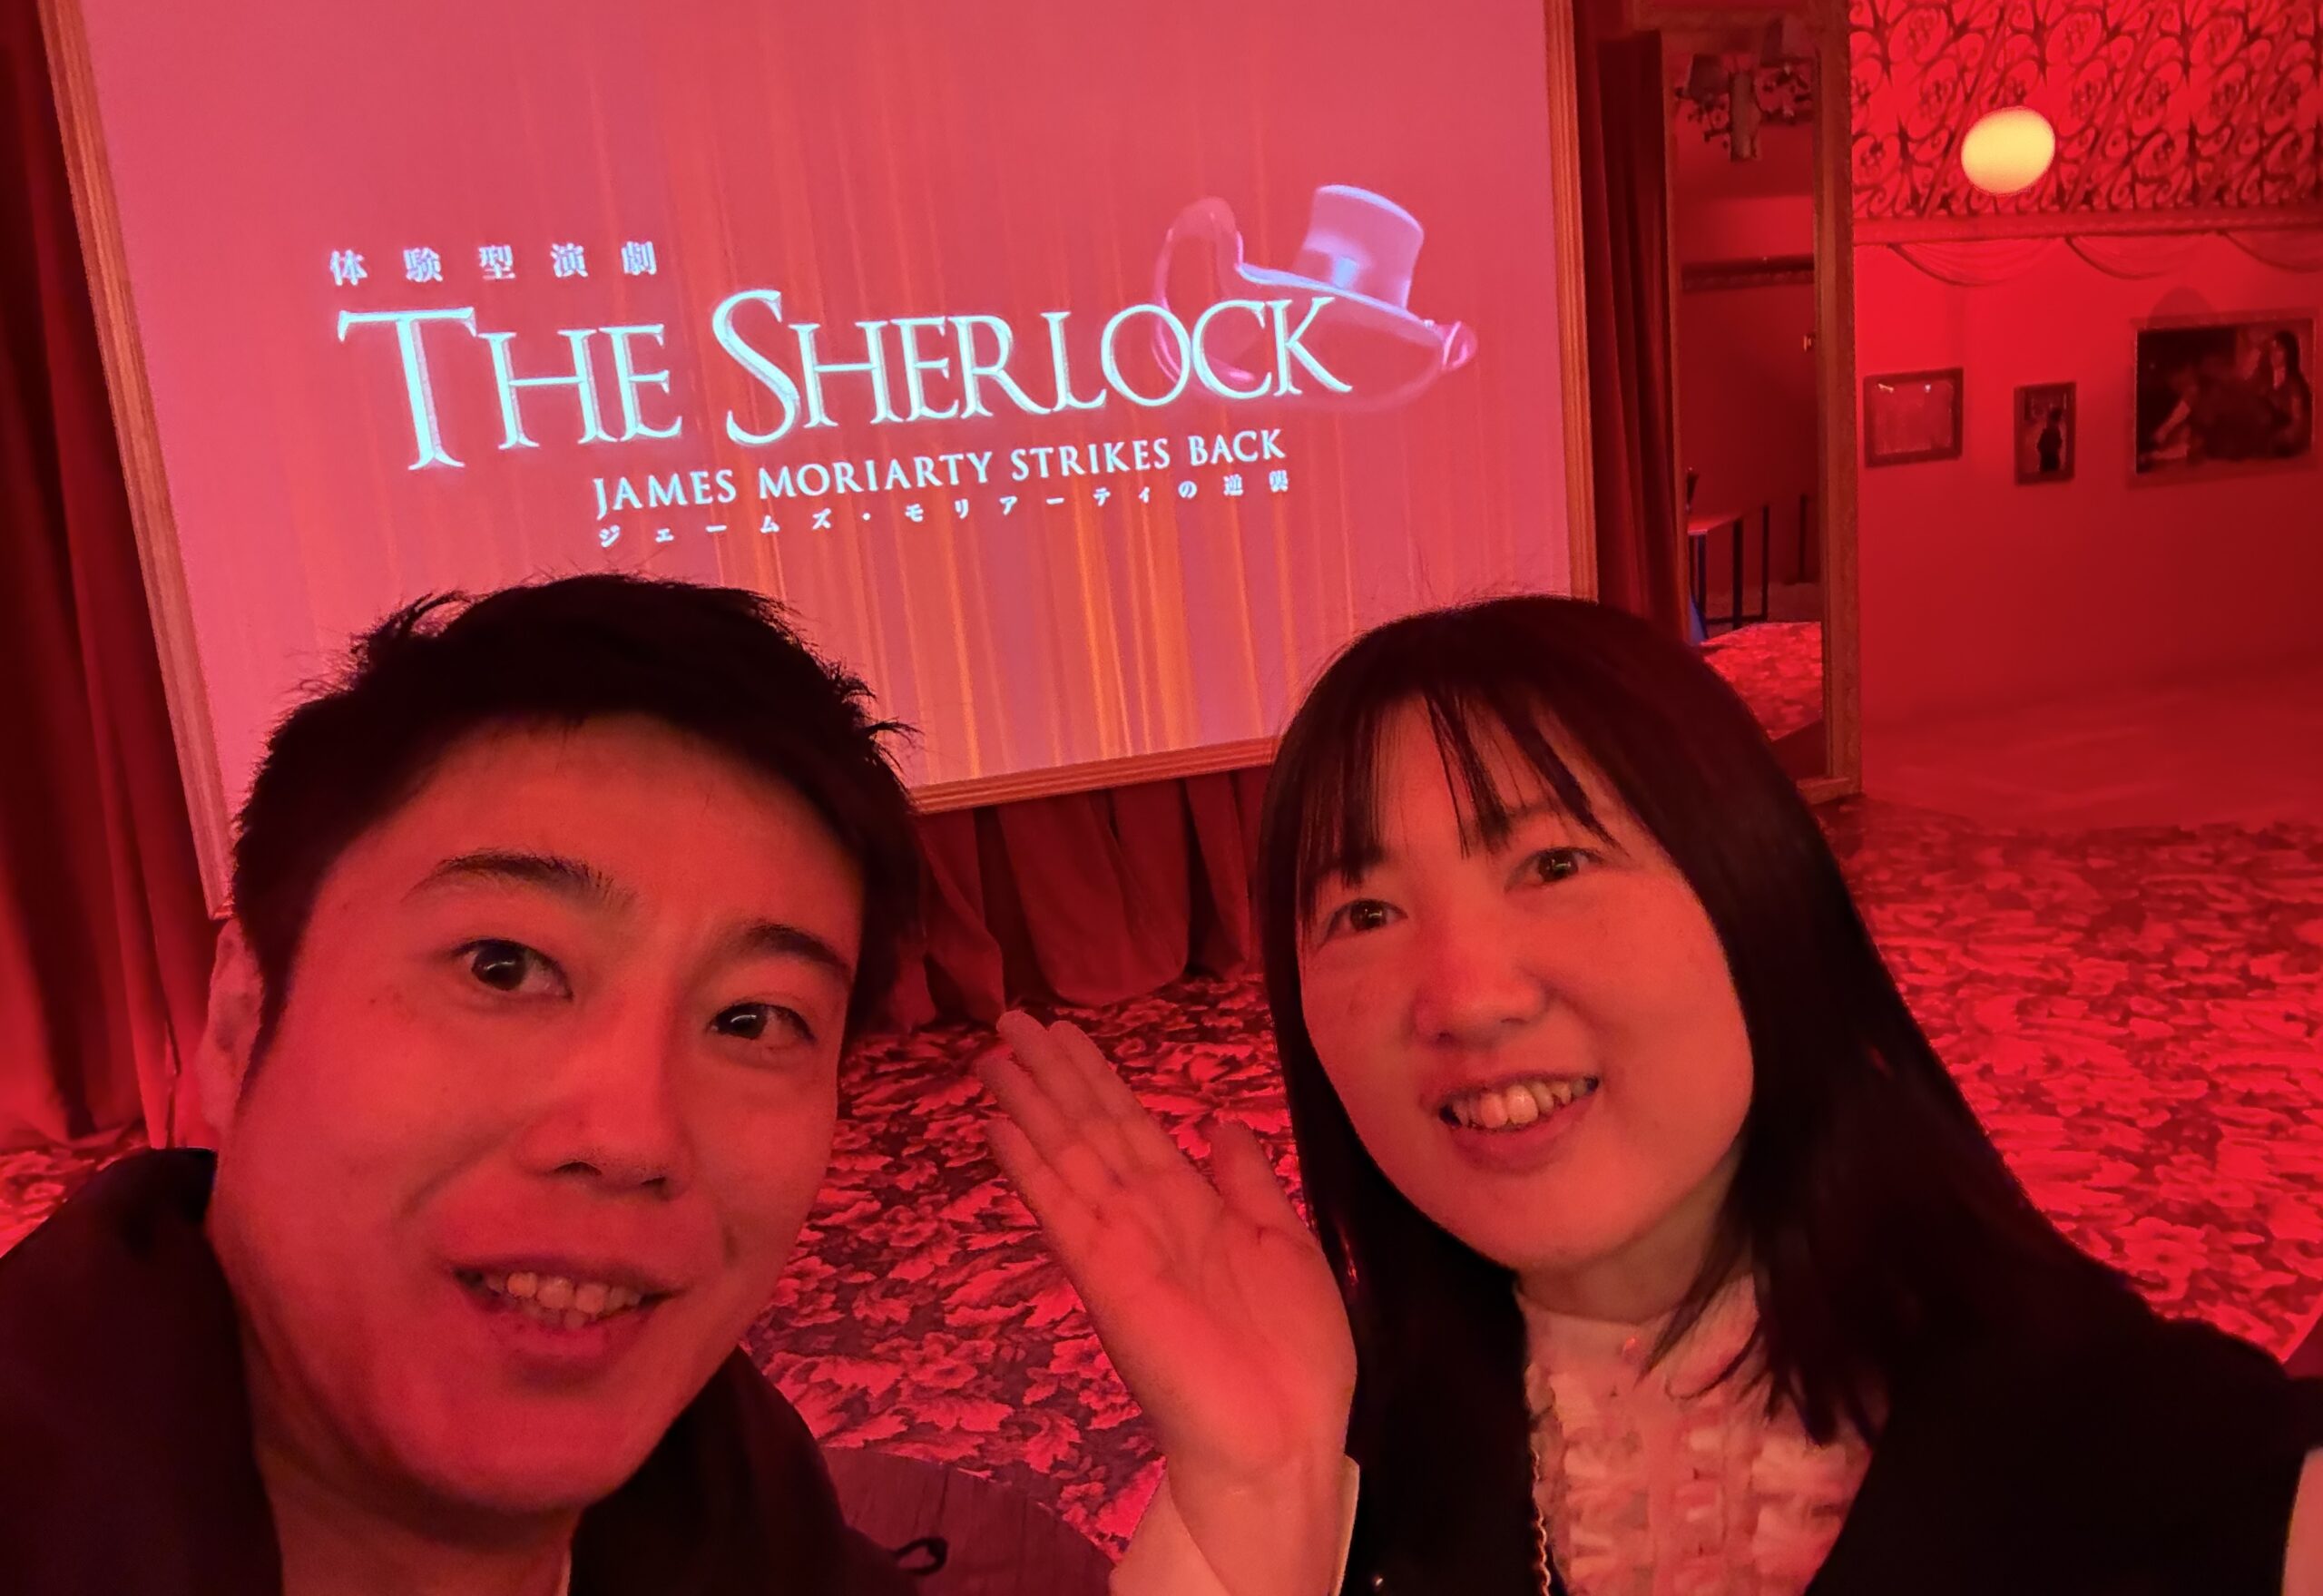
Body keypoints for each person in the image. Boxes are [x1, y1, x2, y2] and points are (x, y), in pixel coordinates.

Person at [981, 594, 2323, 1596]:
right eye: (1366, 911)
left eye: (1554, 864)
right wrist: (1251, 1503)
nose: (1463, 998)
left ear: (1760, 898)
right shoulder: (1342, 1442)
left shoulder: (2154, 1463)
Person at [0, 575, 926, 1596]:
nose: (632, 1138)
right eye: (504, 967)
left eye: (751, 1020)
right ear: (240, 1019)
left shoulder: (730, 1492)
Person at [2264, 329, 2313, 457]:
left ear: (2289, 352)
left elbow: (2298, 424)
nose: (2273, 354)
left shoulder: (2295, 385)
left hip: (2286, 448)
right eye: (2271, 350)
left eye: (2278, 349)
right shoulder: (2266, 381)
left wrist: (2275, 439)